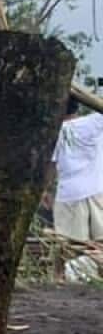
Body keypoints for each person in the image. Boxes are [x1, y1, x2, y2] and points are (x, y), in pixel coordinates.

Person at [47, 97, 103, 241]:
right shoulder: (96, 121)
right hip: (98, 192)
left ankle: (73, 265)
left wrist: (46, 191)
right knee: (99, 251)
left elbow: (50, 167)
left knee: (70, 250)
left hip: (69, 196)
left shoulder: (53, 132)